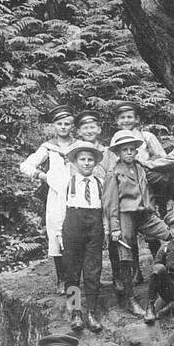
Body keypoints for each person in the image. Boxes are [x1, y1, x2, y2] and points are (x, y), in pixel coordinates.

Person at [103, 129, 169, 318]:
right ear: (118, 153)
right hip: (125, 215)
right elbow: (111, 203)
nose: (130, 153)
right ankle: (130, 299)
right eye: (125, 150)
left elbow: (148, 191)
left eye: (132, 149)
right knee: (126, 254)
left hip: (145, 213)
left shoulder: (141, 168)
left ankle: (172, 284)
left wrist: (152, 209)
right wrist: (114, 227)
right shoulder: (113, 173)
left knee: (171, 234)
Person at [20, 105, 75, 293]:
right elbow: (25, 165)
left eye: (67, 123)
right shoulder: (48, 148)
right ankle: (62, 279)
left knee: (74, 235)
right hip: (55, 196)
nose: (63, 127)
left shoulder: (79, 145)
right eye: (59, 124)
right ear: (54, 126)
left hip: (76, 196)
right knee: (56, 232)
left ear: (72, 126)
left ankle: (74, 279)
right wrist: (42, 176)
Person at [59, 140, 107, 333]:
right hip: (73, 225)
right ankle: (76, 312)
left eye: (90, 160)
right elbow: (59, 209)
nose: (86, 163)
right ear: (75, 162)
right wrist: (58, 234)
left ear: (95, 163)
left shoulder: (100, 183)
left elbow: (105, 210)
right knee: (72, 270)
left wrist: (105, 230)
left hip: (94, 226)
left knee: (93, 270)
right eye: (82, 159)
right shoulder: (68, 183)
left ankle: (91, 312)